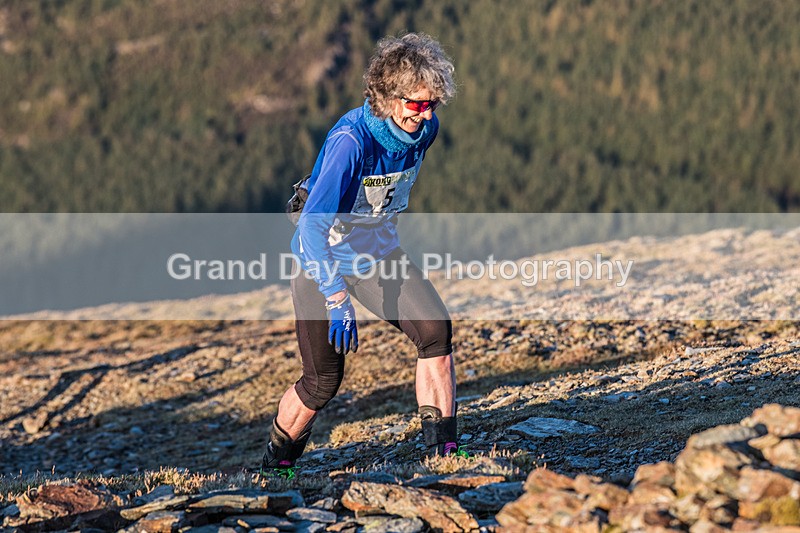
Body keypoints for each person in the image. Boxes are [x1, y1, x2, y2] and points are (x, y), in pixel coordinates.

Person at [261, 32, 461, 476]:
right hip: (321, 261)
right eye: (417, 104)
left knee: (435, 330)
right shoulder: (351, 143)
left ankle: (443, 454)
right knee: (322, 382)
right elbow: (311, 228)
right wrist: (336, 297)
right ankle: (275, 468)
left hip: (377, 255)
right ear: (388, 98)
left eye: (433, 103)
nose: (426, 114)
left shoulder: (424, 131)